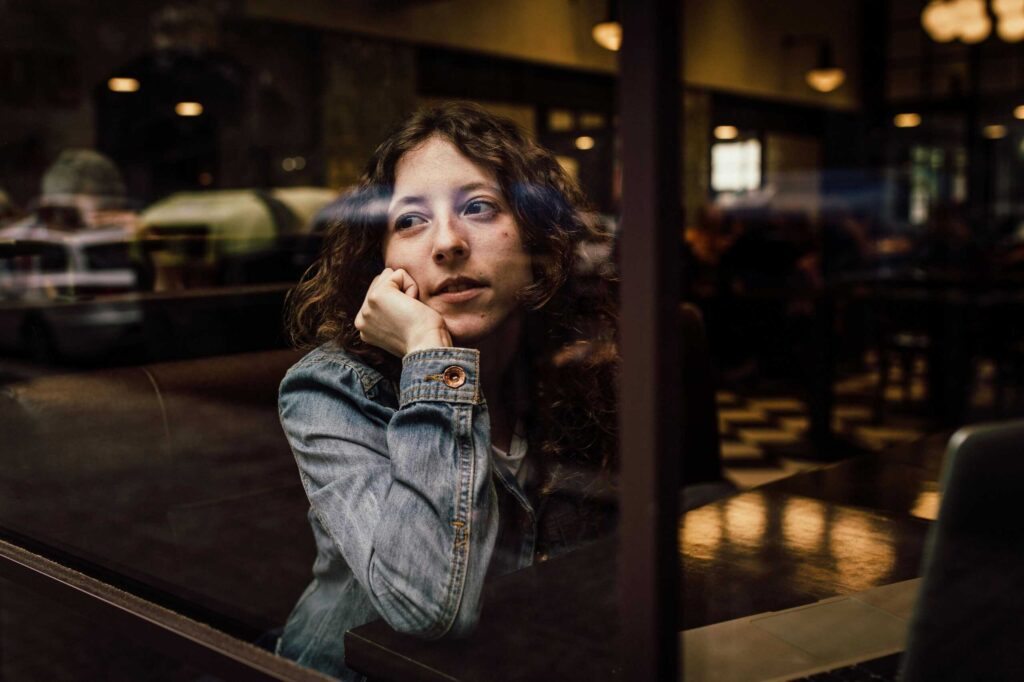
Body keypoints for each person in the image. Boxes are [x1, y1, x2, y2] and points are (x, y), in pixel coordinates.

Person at [276, 102, 619, 679]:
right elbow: (428, 607)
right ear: (381, 260)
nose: (448, 243)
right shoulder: (328, 388)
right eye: (409, 220)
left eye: (479, 208)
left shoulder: (573, 369)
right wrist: (431, 356)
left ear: (538, 245)